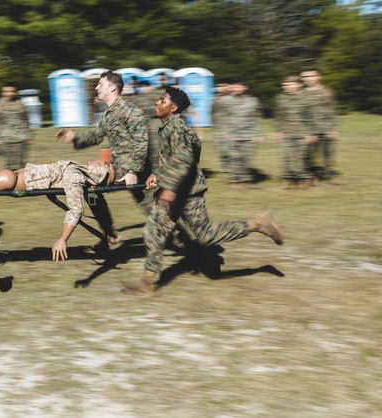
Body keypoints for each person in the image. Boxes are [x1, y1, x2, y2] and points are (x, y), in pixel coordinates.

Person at [121, 86, 284, 298]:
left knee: (192, 235)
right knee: (166, 232)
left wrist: (168, 189)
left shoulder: (176, 128)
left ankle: (256, 223)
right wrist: (157, 174)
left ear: (174, 107)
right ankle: (149, 283)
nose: (156, 103)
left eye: (162, 101)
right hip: (180, 187)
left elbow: (184, 161)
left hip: (185, 191)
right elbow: (175, 158)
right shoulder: (169, 126)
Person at [0, 159, 117, 261]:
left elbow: (76, 210)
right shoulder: (80, 171)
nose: (102, 161)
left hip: (11, 179)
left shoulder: (76, 175)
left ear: (101, 173)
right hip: (11, 179)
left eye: (105, 165)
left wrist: (63, 239)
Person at [56, 71, 149, 251]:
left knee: (157, 210)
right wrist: (75, 138)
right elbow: (97, 136)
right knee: (91, 190)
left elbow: (141, 141)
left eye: (100, 84)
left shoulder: (129, 110)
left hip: (132, 170)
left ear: (112, 87)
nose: (96, 87)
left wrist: (134, 171)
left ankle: (189, 242)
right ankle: (111, 236)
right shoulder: (109, 113)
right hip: (119, 168)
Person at [272, 76, 313, 188]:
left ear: (299, 85)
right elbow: (278, 116)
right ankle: (289, 179)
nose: (287, 87)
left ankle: (303, 179)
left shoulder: (307, 98)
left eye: (290, 84)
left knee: (303, 157)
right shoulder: (280, 98)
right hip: (287, 133)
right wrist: (277, 130)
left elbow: (311, 117)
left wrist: (311, 133)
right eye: (285, 85)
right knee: (287, 157)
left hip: (303, 132)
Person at [219, 80, 263, 186]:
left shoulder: (252, 101)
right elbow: (221, 117)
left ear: (245, 87)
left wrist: (257, 134)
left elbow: (256, 118)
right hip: (231, 134)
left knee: (246, 157)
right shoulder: (224, 101)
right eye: (234, 87)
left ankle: (246, 180)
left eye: (239, 87)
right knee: (234, 157)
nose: (237, 89)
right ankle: (235, 180)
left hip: (247, 134)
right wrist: (222, 132)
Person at [301, 68, 339, 181]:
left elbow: (332, 111)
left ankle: (327, 176)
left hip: (325, 128)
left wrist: (333, 128)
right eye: (305, 77)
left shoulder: (328, 92)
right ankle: (308, 176)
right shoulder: (300, 93)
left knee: (327, 154)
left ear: (319, 77)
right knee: (306, 154)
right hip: (307, 129)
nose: (308, 79)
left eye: (311, 76)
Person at [0, 83, 32, 169]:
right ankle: (11, 182)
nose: (9, 93)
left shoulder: (21, 104)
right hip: (5, 139)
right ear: (2, 92)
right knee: (9, 166)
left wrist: (28, 136)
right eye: (6, 91)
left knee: (22, 166)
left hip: (20, 139)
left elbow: (26, 120)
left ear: (16, 92)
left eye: (12, 91)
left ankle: (23, 182)